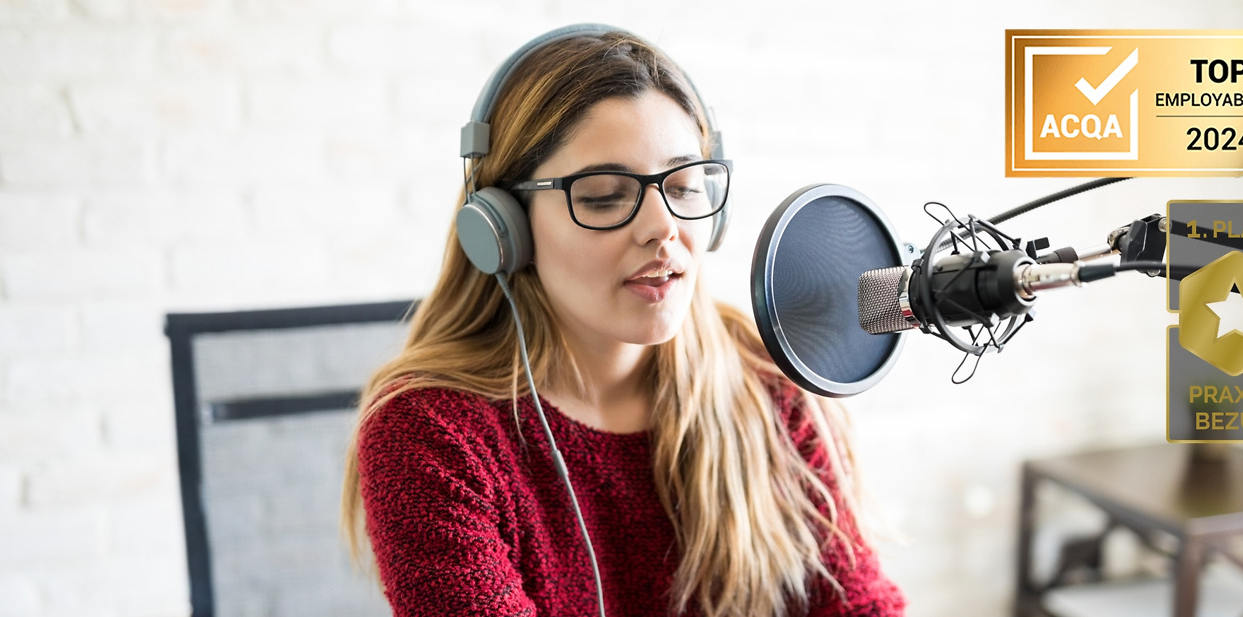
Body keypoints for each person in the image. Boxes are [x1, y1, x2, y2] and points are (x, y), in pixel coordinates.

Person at [339, 25, 907, 617]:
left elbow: (859, 604)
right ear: (504, 228)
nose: (663, 228)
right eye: (606, 196)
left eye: (685, 186)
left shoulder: (764, 379)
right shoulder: (429, 433)